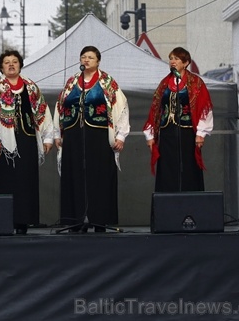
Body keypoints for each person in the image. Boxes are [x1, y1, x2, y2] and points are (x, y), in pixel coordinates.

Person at [53, 46, 130, 232]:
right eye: (83, 57)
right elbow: (60, 107)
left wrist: (120, 135)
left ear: (98, 61)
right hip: (73, 137)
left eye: (90, 57)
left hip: (99, 136)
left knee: (100, 176)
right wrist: (57, 133)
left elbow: (122, 108)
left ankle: (100, 220)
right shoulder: (72, 82)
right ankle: (76, 220)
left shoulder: (107, 82)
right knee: (75, 176)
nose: (86, 60)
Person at [0, 49, 53, 235]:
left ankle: (23, 222)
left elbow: (42, 111)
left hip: (26, 140)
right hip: (0, 141)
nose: (11, 64)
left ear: (20, 65)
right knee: (1, 181)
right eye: (7, 62)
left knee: (24, 181)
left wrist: (48, 136)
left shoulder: (31, 87)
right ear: (1, 67)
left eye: (15, 61)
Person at [144, 47, 213, 192]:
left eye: (176, 59)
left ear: (186, 62)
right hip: (167, 133)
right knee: (168, 169)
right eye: (171, 58)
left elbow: (203, 108)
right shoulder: (164, 83)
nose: (172, 61)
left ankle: (189, 205)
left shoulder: (195, 82)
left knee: (187, 168)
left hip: (187, 133)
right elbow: (155, 109)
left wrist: (201, 133)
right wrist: (150, 135)